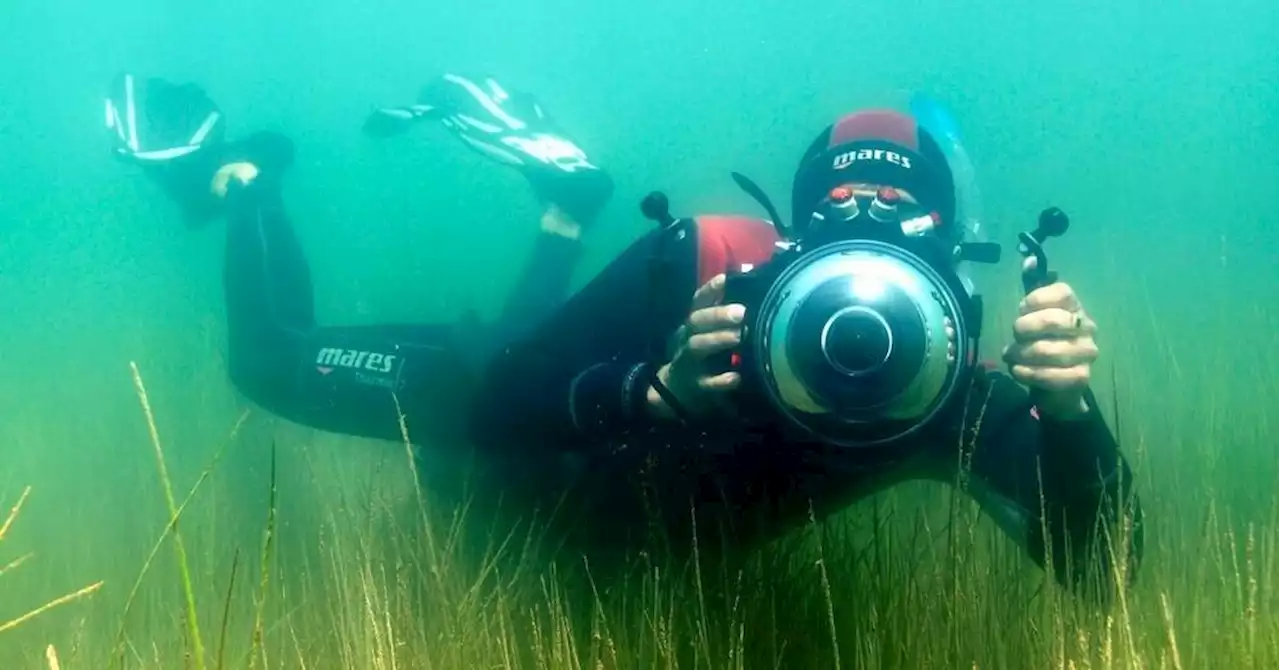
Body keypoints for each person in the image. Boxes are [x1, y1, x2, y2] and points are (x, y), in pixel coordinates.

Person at [465, 109, 1144, 592]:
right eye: (838, 203)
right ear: (793, 238)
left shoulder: (952, 395)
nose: (865, 227)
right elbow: (492, 405)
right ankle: (566, 215)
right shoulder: (704, 267)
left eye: (900, 212)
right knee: (475, 377)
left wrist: (1068, 413)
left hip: (650, 548)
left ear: (943, 250)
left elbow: (1103, 574)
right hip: (540, 498)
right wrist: (653, 392)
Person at [104, 71, 613, 446]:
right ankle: (247, 179)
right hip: (569, 395)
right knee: (271, 362)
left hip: (564, 392)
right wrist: (646, 396)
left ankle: (565, 218)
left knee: (515, 372)